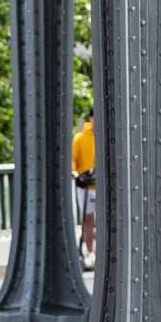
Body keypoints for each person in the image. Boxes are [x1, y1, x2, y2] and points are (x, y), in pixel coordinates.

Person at [71, 108, 97, 270]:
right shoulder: (80, 138)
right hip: (85, 185)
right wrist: (75, 172)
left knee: (104, 220)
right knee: (88, 219)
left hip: (101, 186)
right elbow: (72, 159)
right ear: (91, 118)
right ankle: (90, 251)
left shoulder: (105, 137)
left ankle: (100, 251)